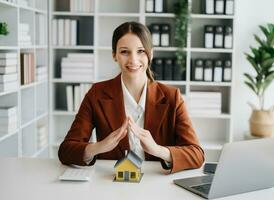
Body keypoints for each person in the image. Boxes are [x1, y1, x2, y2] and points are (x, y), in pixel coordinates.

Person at [58, 21, 204, 173]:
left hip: (156, 184)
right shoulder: (97, 93)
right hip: (110, 184)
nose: (133, 60)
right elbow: (65, 151)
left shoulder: (172, 97)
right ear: (114, 55)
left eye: (140, 51)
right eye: (124, 52)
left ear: (151, 54)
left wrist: (158, 150)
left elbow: (197, 155)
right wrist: (99, 146)